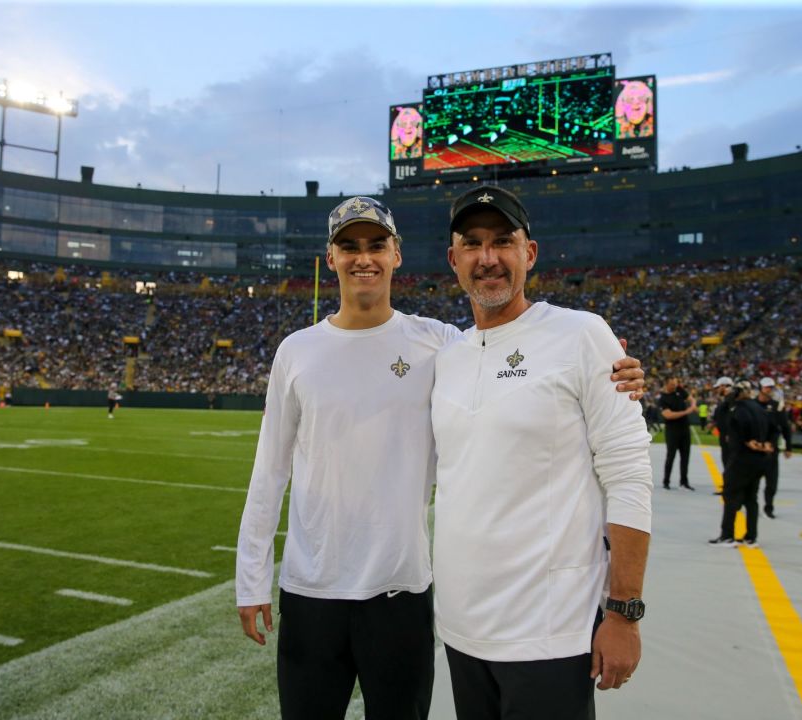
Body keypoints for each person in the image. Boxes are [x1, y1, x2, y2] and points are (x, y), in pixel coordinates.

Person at [235, 195, 648, 720]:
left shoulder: (439, 343)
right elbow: (269, 470)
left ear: (397, 254)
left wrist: (619, 372)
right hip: (317, 589)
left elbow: (517, 356)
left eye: (377, 244)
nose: (364, 257)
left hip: (405, 591)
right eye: (349, 246)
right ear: (330, 257)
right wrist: (251, 578)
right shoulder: (301, 350)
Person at [431, 185, 653, 719]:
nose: (489, 258)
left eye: (503, 241)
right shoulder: (447, 356)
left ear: (529, 253)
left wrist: (623, 613)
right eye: (474, 243)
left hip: (549, 633)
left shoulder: (581, 334)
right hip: (462, 631)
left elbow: (627, 474)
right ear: (454, 259)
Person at [709, 381, 777, 548]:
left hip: (741, 459)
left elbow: (738, 435)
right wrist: (766, 445)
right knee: (751, 499)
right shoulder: (760, 409)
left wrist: (750, 442)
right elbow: (775, 429)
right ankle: (751, 537)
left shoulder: (739, 410)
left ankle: (727, 536)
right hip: (760, 461)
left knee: (730, 496)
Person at [756, 377, 792, 519]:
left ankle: (768, 507)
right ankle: (749, 505)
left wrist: (788, 447)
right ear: (760, 388)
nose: (769, 390)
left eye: (771, 387)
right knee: (751, 481)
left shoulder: (777, 406)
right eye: (766, 387)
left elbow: (785, 427)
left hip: (771, 449)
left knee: (772, 481)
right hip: (754, 448)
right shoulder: (751, 404)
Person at [657, 377, 696, 490]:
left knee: (685, 457)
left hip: (685, 429)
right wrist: (687, 411)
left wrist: (693, 405)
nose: (674, 386)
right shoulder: (662, 399)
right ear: (666, 384)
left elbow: (691, 399)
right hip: (672, 431)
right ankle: (666, 481)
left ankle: (684, 482)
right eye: (672, 384)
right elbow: (668, 415)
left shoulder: (679, 390)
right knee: (671, 456)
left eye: (675, 384)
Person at [707, 376, 734, 495]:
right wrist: (714, 422)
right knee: (727, 461)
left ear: (724, 386)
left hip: (729, 436)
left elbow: (732, 417)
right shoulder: (726, 399)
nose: (717, 390)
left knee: (729, 461)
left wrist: (730, 432)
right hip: (725, 435)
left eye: (719, 387)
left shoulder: (731, 399)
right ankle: (728, 485)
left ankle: (730, 487)